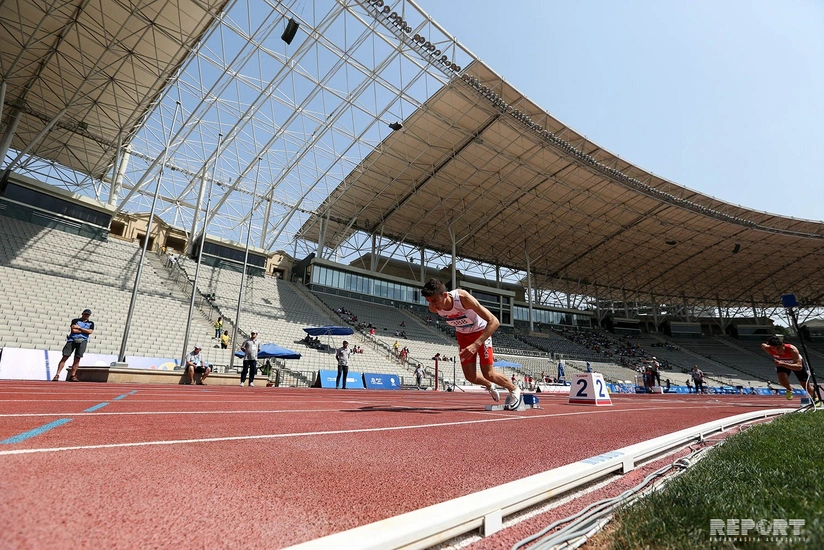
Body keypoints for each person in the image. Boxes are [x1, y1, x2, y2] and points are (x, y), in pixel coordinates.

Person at [421, 278, 521, 409]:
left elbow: (494, 321)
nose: (432, 306)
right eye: (429, 301)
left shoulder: (463, 298)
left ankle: (514, 389)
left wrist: (476, 344)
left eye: (435, 301)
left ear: (445, 295)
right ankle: (489, 385)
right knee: (470, 377)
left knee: (489, 374)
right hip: (463, 336)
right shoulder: (433, 308)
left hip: (480, 333)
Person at [761, 336, 816, 401]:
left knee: (806, 386)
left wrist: (782, 364)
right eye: (773, 348)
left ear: (783, 345)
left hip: (793, 363)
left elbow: (799, 367)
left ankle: (815, 397)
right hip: (781, 362)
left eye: (778, 348)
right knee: (782, 381)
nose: (776, 351)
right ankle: (789, 389)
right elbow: (763, 345)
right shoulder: (768, 349)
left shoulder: (792, 350)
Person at [53, 308, 95, 382]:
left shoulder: (91, 323)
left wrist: (79, 328)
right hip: (72, 340)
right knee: (65, 357)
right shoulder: (75, 320)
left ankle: (73, 375)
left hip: (83, 341)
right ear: (82, 314)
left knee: (77, 359)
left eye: (87, 315)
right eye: (85, 314)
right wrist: (84, 331)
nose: (86, 316)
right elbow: (73, 330)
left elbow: (90, 332)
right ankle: (57, 374)